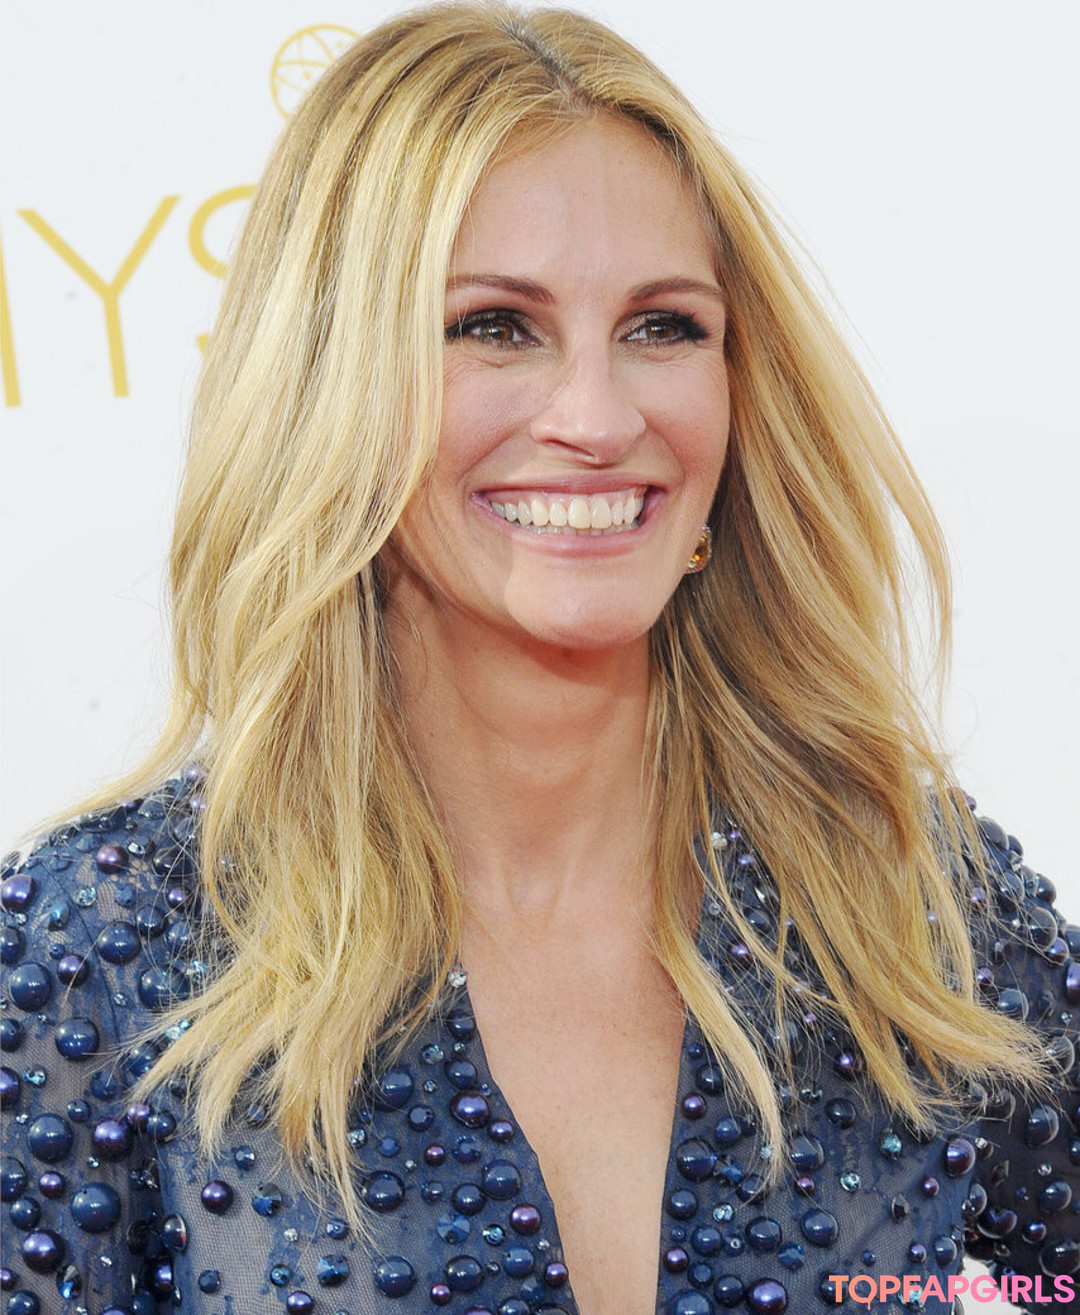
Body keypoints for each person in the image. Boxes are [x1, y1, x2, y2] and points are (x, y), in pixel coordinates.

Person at [2, 5, 1077, 1314]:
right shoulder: (106, 953)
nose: (597, 418)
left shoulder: (900, 898)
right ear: (330, 385)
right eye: (494, 327)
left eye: (663, 326)